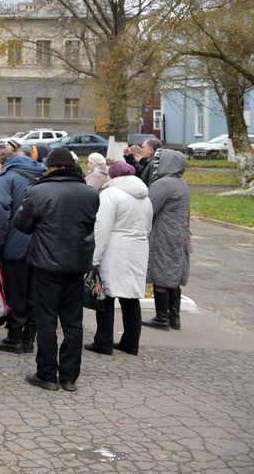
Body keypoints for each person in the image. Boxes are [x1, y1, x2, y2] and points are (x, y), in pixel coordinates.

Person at [13, 147, 99, 392]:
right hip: (76, 265)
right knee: (73, 322)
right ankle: (69, 377)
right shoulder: (90, 193)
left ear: (50, 167)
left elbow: (22, 224)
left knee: (46, 320)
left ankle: (47, 374)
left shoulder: (38, 191)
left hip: (46, 265)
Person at [87, 161, 151, 356]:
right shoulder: (145, 197)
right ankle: (131, 343)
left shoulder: (110, 195)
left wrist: (94, 257)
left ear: (112, 176)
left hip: (115, 249)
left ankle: (103, 342)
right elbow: (148, 226)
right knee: (130, 297)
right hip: (138, 249)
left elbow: (102, 227)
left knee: (106, 295)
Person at [0, 149, 46, 354]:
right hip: (41, 245)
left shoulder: (6, 179)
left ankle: (15, 338)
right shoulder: (43, 176)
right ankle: (29, 338)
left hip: (15, 243)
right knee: (33, 293)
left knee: (15, 293)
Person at [143, 149, 191, 331]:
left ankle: (162, 318)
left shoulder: (163, 184)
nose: (156, 164)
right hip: (178, 234)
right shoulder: (180, 183)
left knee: (161, 272)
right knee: (173, 274)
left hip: (163, 234)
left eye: (159, 161)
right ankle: (174, 318)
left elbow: (148, 208)